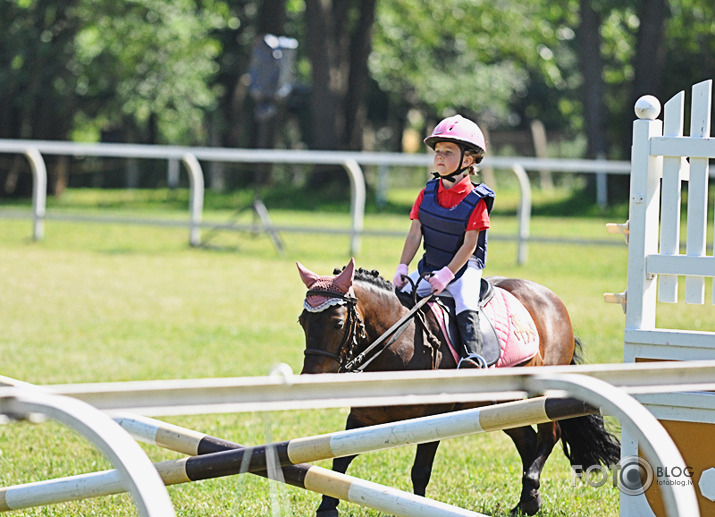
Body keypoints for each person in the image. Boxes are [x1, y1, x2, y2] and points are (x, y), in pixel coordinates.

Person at [393, 114, 494, 369]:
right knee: (398, 296)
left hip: (463, 270)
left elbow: (470, 245)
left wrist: (447, 275)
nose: (439, 157)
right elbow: (415, 233)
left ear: (468, 160)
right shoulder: (426, 193)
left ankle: (473, 358)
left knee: (465, 304)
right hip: (430, 266)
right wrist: (403, 267)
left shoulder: (477, 200)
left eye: (448, 152)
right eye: (437, 151)